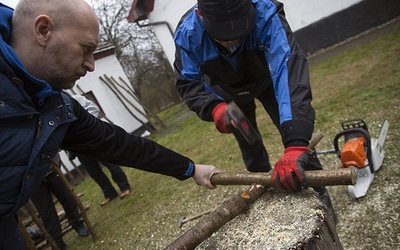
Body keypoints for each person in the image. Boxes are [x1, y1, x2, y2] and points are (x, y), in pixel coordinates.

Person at [0, 0, 222, 249]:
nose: (90, 64)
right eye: (84, 49)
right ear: (42, 30)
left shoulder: (53, 106)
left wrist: (190, 168)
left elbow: (118, 144)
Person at [173, 0, 336, 219]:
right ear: (200, 15)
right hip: (228, 92)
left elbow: (287, 68)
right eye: (222, 32)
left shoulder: (266, 14)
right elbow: (188, 82)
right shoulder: (188, 34)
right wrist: (212, 106)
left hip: (268, 80)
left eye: (241, 28)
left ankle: (320, 192)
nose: (232, 38)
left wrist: (295, 142)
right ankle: (263, 187)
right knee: (249, 142)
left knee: (298, 139)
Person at [69, 95, 132, 206]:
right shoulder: (51, 110)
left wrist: (88, 128)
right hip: (77, 145)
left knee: (110, 163)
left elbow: (93, 108)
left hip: (93, 139)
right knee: (94, 172)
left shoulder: (74, 99)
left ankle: (124, 187)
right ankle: (109, 193)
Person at [30, 153, 89, 249]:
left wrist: (54, 159)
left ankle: (78, 225)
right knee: (46, 212)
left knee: (67, 198)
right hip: (31, 179)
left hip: (50, 168)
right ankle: (57, 241)